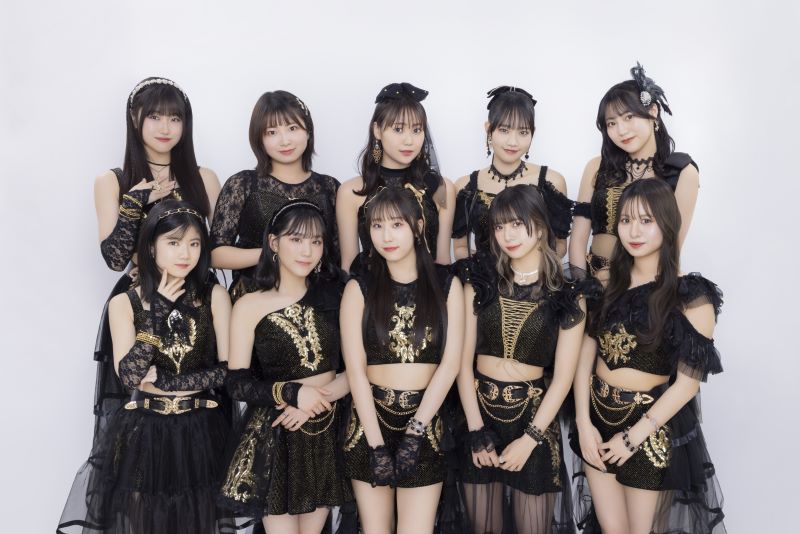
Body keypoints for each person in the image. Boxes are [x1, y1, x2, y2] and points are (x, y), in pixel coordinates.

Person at [59, 200, 233, 534]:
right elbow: (130, 376)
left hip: (201, 429)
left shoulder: (215, 296)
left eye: (194, 243)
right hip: (145, 431)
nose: (185, 253)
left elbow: (227, 372)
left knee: (197, 521)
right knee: (143, 522)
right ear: (151, 247)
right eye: (174, 242)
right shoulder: (124, 302)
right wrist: (158, 312)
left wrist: (167, 382)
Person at [571, 179, 725, 534]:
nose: (634, 231)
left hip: (649, 429)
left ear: (667, 223)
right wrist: (582, 422)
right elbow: (585, 358)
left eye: (646, 220)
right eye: (626, 220)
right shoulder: (606, 282)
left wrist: (631, 438)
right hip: (596, 421)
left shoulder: (691, 296)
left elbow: (687, 385)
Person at [456, 185, 597, 533]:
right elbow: (461, 364)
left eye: (517, 224)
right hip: (479, 415)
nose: (508, 235)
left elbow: (563, 378)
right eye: (500, 226)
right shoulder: (479, 281)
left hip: (534, 419)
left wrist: (531, 438)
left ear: (541, 226)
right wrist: (476, 431)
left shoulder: (568, 293)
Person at [92, 76, 221, 437]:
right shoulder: (112, 181)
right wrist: (135, 201)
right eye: (155, 117)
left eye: (175, 118)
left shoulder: (204, 178)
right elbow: (115, 259)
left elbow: (216, 248)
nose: (166, 128)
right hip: (144, 297)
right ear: (135, 119)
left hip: (198, 298)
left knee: (205, 406)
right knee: (142, 409)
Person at [217, 199, 353, 534]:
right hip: (276, 434)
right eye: (296, 239)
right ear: (274, 243)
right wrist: (292, 393)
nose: (307, 250)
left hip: (325, 430)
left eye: (316, 241)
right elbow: (237, 383)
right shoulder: (248, 304)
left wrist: (313, 401)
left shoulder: (337, 295)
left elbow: (358, 370)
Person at [340, 186, 464, 533]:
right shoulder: (359, 287)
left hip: (425, 423)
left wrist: (415, 432)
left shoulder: (447, 284)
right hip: (370, 422)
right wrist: (376, 445)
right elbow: (355, 371)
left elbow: (450, 365)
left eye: (396, 224)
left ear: (419, 226)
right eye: (377, 226)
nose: (386, 236)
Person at [569, 63, 699, 283]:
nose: (621, 130)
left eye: (629, 117)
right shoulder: (596, 166)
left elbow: (672, 250)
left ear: (652, 111)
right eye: (612, 123)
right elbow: (578, 240)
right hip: (591, 281)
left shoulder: (681, 172)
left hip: (643, 286)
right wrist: (581, 290)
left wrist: (628, 288)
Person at [210, 90, 340, 301]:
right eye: (272, 132)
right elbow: (215, 254)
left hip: (317, 299)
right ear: (259, 138)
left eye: (292, 128)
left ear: (308, 131)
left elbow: (336, 255)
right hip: (254, 298)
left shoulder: (329, 187)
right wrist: (276, 252)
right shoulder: (243, 183)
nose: (284, 140)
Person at [336, 82, 454, 272]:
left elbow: (443, 262)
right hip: (371, 289)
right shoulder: (351, 192)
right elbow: (349, 267)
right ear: (377, 130)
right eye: (398, 129)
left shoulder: (442, 188)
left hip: (429, 289)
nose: (409, 140)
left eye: (416, 130)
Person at [452, 86, 573, 270]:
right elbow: (460, 247)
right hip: (485, 281)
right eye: (504, 130)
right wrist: (485, 270)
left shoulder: (551, 182)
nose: (513, 142)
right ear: (488, 129)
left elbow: (560, 245)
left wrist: (528, 270)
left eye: (523, 132)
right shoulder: (465, 186)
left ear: (533, 133)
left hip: (535, 281)